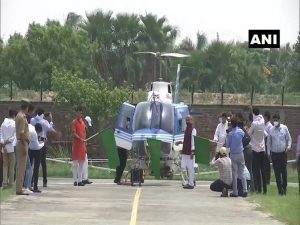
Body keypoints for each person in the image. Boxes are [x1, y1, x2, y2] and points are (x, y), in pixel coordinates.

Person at [267, 114, 292, 195]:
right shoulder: (271, 130)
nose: (275, 122)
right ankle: (280, 190)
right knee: (277, 173)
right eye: (274, 120)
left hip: (283, 153)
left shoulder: (284, 128)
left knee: (283, 172)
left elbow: (289, 139)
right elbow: (269, 142)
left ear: (279, 120)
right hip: (274, 154)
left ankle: (284, 188)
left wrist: (288, 147)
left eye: (276, 120)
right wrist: (268, 153)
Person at [31, 108, 55, 187]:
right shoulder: (44, 122)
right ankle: (45, 181)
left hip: (33, 143)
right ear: (43, 114)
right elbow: (50, 129)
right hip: (42, 143)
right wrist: (50, 120)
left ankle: (31, 181)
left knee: (32, 164)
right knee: (43, 163)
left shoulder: (32, 120)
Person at [226, 117, 247, 197]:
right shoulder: (241, 131)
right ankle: (245, 190)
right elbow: (244, 136)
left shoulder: (230, 134)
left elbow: (227, 145)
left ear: (231, 124)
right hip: (240, 153)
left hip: (233, 154)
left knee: (234, 173)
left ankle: (235, 192)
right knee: (242, 172)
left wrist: (227, 136)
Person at [248, 107, 267, 194]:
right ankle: (265, 189)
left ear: (253, 114)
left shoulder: (254, 123)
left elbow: (248, 134)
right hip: (262, 148)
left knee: (256, 170)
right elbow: (265, 134)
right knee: (263, 169)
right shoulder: (262, 120)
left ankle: (259, 188)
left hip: (255, 149)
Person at [176, 115, 197, 189]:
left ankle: (191, 183)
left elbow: (193, 141)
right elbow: (186, 140)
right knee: (185, 167)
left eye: (189, 120)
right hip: (185, 151)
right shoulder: (186, 130)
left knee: (191, 168)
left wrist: (192, 151)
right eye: (186, 120)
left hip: (190, 152)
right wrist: (180, 142)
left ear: (191, 120)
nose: (187, 122)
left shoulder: (193, 130)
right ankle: (191, 181)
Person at [15, 100, 30, 195]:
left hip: (22, 143)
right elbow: (21, 133)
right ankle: (19, 189)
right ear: (26, 107)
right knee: (21, 167)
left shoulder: (20, 116)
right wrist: (25, 146)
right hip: (22, 143)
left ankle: (19, 187)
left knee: (21, 167)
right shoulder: (21, 117)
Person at [0, 109, 17, 188]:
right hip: (11, 147)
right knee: (12, 166)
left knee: (5, 166)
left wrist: (3, 143)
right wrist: (7, 142)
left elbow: (1, 135)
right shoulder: (14, 124)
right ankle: (11, 183)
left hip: (4, 147)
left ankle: (4, 183)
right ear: (14, 115)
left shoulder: (3, 123)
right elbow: (14, 136)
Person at [71, 107, 87, 186]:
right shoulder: (74, 122)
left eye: (80, 113)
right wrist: (80, 139)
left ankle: (80, 181)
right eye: (78, 113)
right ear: (76, 113)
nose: (79, 114)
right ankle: (75, 180)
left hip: (82, 146)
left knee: (81, 164)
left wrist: (84, 142)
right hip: (76, 145)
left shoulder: (83, 122)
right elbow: (74, 133)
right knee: (75, 164)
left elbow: (84, 134)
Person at [28, 123, 45, 193]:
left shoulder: (31, 130)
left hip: (30, 150)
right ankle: (35, 186)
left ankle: (29, 184)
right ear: (37, 130)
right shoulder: (34, 133)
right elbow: (38, 146)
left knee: (29, 168)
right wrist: (43, 143)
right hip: (37, 150)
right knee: (36, 169)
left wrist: (42, 139)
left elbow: (40, 138)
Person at [82, 116, 92, 185]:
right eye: (87, 124)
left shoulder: (84, 128)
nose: (88, 126)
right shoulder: (82, 127)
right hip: (81, 148)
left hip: (83, 148)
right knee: (83, 163)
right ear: (85, 122)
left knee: (85, 163)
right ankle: (83, 179)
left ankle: (85, 178)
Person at [263, 111, 272, 184]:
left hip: (267, 145)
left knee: (267, 163)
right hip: (263, 145)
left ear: (267, 117)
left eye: (264, 117)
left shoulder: (269, 126)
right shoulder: (264, 125)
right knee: (264, 163)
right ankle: (265, 178)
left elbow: (268, 138)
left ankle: (267, 180)